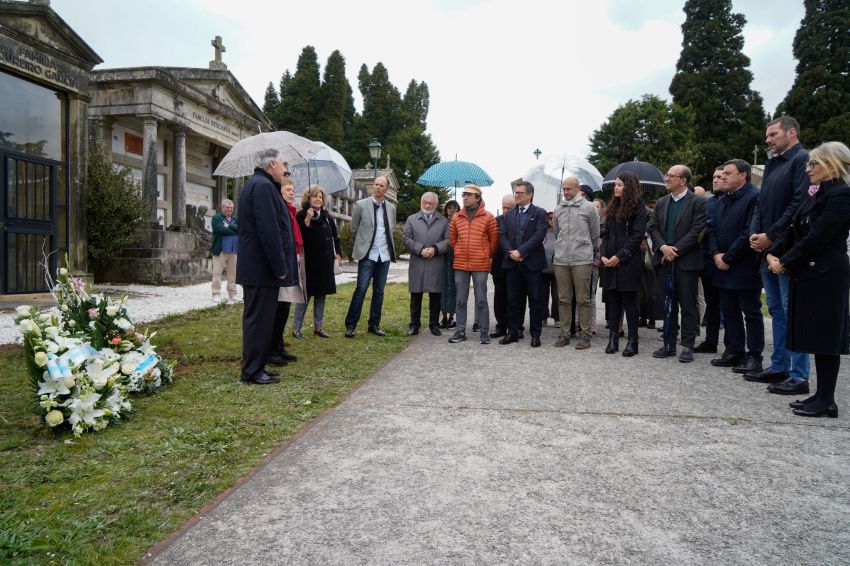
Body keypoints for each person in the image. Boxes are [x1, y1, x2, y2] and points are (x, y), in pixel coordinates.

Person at [766, 141, 850, 418]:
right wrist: (774, 252)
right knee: (816, 337)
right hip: (809, 274)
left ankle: (827, 400)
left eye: (813, 163)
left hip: (826, 275)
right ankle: (821, 394)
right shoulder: (817, 194)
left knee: (826, 339)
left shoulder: (841, 195)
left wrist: (786, 262)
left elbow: (818, 236)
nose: (808, 168)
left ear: (832, 165)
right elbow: (795, 228)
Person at [747, 116, 811, 394]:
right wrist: (755, 235)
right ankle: (779, 366)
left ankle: (799, 375)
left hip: (787, 249)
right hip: (765, 249)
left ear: (792, 133)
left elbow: (799, 203)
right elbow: (761, 204)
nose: (768, 140)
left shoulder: (802, 160)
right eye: (767, 136)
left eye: (773, 135)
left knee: (791, 310)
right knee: (775, 309)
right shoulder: (773, 163)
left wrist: (772, 237)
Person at [235, 150, 295, 385]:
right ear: (271, 164)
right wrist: (280, 267)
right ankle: (252, 370)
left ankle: (256, 366)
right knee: (258, 320)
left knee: (259, 319)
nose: (285, 169)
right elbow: (268, 231)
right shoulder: (263, 187)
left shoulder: (260, 184)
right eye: (282, 164)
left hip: (258, 268)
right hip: (261, 269)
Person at [708, 159, 764, 374]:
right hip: (721, 264)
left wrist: (728, 257)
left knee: (750, 312)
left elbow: (749, 231)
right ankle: (734, 351)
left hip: (744, 265)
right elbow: (711, 228)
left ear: (743, 175)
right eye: (721, 174)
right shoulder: (723, 199)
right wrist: (715, 254)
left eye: (728, 174)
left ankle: (754, 356)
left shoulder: (754, 197)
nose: (722, 177)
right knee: (729, 311)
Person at [648, 165, 707, 363]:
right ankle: (668, 344)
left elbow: (697, 230)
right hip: (665, 261)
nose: (666, 178)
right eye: (667, 175)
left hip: (687, 262)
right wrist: (664, 247)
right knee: (668, 305)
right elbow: (654, 228)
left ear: (683, 180)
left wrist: (675, 251)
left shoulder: (698, 202)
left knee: (688, 305)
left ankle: (688, 345)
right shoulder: (662, 202)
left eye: (671, 176)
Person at [600, 171, 648, 356]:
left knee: (629, 302)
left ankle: (633, 341)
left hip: (628, 262)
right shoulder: (612, 207)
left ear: (629, 187)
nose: (616, 188)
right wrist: (604, 254)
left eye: (619, 185)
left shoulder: (639, 206)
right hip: (610, 262)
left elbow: (637, 236)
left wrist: (620, 256)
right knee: (613, 302)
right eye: (615, 185)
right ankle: (613, 339)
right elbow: (606, 234)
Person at [344, 175, 397, 338]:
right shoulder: (361, 205)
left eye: (381, 185)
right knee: (360, 289)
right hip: (368, 254)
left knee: (379, 292)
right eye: (376, 184)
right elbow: (354, 228)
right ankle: (350, 325)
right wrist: (363, 245)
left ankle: (374, 325)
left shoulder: (391, 208)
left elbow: (391, 229)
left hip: (384, 255)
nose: (378, 187)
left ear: (386, 189)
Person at [552, 176, 600, 349]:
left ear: (578, 189)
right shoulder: (558, 209)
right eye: (564, 189)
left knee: (583, 299)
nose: (565, 192)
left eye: (569, 189)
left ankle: (585, 336)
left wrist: (583, 248)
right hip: (561, 259)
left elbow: (595, 235)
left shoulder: (589, 208)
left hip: (582, 259)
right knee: (563, 299)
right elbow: (556, 233)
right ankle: (565, 334)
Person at [499, 181, 548, 348]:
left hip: (531, 264)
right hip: (512, 263)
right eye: (516, 192)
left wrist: (521, 252)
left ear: (530, 195)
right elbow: (502, 236)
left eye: (520, 192)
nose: (517, 195)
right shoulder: (510, 214)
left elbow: (539, 235)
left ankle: (535, 334)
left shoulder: (540, 213)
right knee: (513, 300)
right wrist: (511, 252)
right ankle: (513, 332)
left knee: (535, 301)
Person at [448, 185, 498, 344]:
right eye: (463, 195)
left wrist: (484, 255)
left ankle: (484, 331)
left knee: (481, 299)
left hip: (480, 264)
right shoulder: (457, 217)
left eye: (468, 195)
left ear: (478, 198)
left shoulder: (488, 217)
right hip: (461, 264)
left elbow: (493, 241)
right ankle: (460, 331)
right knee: (460, 300)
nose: (464, 198)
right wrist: (459, 251)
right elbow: (452, 240)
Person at [293, 184, 341, 339]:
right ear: (308, 198)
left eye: (320, 197)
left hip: (325, 262)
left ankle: (318, 327)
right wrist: (308, 217)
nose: (318, 199)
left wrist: (338, 253)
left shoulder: (326, 215)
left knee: (321, 295)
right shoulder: (301, 215)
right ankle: (296, 329)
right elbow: (301, 234)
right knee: (305, 297)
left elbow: (335, 236)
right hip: (309, 263)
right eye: (315, 196)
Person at [403, 192, 450, 336]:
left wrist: (435, 249)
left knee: (435, 295)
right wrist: (420, 249)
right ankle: (414, 325)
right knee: (416, 295)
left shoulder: (443, 221)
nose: (428, 205)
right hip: (418, 261)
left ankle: (434, 324)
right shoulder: (412, 219)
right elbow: (406, 238)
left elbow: (448, 240)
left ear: (436, 204)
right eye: (425, 202)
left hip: (435, 262)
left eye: (431, 203)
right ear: (421, 203)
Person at [269, 178, 304, 368]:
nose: (292, 193)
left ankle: (279, 345)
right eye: (288, 189)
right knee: (279, 308)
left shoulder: (291, 211)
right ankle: (272, 348)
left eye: (293, 190)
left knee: (285, 308)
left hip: (292, 261)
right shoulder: (280, 210)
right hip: (282, 265)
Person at [695, 167, 727, 354]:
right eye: (714, 177)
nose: (715, 180)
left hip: (729, 259)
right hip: (708, 259)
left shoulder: (734, 201)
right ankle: (711, 340)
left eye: (720, 177)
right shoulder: (709, 203)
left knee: (731, 306)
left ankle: (734, 345)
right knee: (712, 303)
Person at [490, 195, 516, 338]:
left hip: (514, 263)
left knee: (514, 297)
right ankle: (501, 325)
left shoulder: (519, 221)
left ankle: (515, 326)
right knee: (499, 297)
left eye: (509, 208)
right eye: (503, 207)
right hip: (499, 264)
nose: (505, 210)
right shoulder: (496, 221)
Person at [210, 198, 238, 304]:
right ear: (222, 208)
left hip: (233, 250)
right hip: (220, 250)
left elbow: (241, 229)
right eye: (227, 207)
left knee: (232, 274)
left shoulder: (235, 218)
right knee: (217, 273)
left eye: (231, 207)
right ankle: (216, 294)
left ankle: (232, 294)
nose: (230, 209)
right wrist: (234, 230)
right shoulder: (217, 218)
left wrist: (230, 226)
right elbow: (219, 229)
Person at [440, 200, 460, 329]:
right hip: (442, 256)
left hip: (455, 257)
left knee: (453, 287)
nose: (452, 210)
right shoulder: (441, 222)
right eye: (449, 207)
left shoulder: (459, 221)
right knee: (442, 287)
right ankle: (444, 317)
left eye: (455, 208)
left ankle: (452, 317)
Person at [539, 211, 558, 328]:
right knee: (542, 294)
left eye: (554, 218)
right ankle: (542, 317)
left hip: (558, 269)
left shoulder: (562, 232)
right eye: (550, 218)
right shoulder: (542, 232)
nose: (552, 221)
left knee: (557, 295)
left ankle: (558, 317)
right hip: (543, 268)